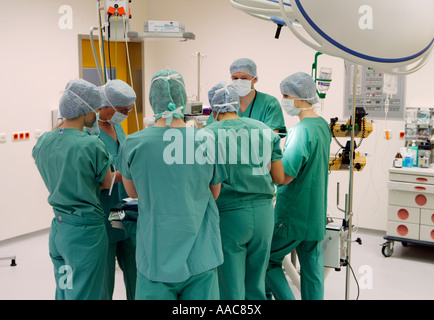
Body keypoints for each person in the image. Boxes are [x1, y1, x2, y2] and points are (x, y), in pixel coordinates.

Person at [116, 69, 228, 300]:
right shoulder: (206, 140)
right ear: (183, 99)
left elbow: (133, 192)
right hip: (201, 253)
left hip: (157, 255)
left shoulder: (133, 143)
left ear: (152, 100)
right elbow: (214, 193)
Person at [32, 78, 114, 300]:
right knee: (88, 293)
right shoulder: (91, 144)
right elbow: (107, 183)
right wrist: (126, 173)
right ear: (84, 111)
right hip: (85, 232)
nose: (96, 115)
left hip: (59, 229)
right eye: (95, 110)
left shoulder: (43, 142)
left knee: (65, 290)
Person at [204, 82, 286, 300]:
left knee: (231, 288)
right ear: (236, 104)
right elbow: (278, 177)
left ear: (213, 110)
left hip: (229, 217)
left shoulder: (206, 135)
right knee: (256, 285)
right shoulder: (264, 131)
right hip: (263, 216)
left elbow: (203, 182)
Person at [265, 72, 331, 300]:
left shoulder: (300, 132)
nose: (283, 100)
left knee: (266, 259)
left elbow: (285, 176)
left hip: (294, 214)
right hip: (314, 213)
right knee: (312, 268)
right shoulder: (322, 126)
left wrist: (269, 161)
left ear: (301, 98)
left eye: (286, 95)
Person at [97, 79, 137, 300]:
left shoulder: (116, 124)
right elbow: (104, 179)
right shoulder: (90, 132)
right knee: (104, 278)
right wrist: (132, 169)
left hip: (124, 208)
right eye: (122, 110)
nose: (126, 114)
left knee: (135, 269)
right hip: (104, 210)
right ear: (104, 105)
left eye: (129, 110)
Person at [206, 58, 286, 135]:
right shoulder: (224, 103)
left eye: (244, 78)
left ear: (254, 79)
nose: (239, 81)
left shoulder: (269, 103)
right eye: (235, 78)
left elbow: (271, 138)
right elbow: (210, 131)